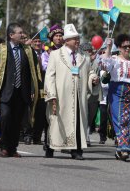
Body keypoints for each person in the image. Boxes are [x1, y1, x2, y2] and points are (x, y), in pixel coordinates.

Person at [0, 23, 42, 157]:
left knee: (17, 121)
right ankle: (4, 146)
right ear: (11, 35)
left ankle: (13, 148)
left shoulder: (28, 51)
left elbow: (36, 72)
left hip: (22, 93)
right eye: (19, 32)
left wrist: (37, 90)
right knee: (5, 117)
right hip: (5, 93)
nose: (22, 35)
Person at [44, 24, 100, 160]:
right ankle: (51, 147)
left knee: (78, 122)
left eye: (78, 38)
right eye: (74, 38)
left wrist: (94, 79)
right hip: (61, 95)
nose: (77, 41)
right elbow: (50, 76)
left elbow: (90, 71)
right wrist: (51, 95)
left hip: (79, 97)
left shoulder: (84, 56)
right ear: (67, 40)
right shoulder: (56, 55)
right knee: (56, 121)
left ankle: (77, 150)